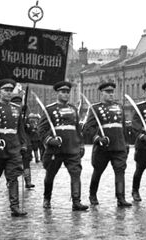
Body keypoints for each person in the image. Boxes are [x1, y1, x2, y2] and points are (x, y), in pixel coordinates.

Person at [38, 81, 88, 211]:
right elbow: (41, 130)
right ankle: (47, 199)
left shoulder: (73, 109)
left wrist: (81, 144)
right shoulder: (49, 110)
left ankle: (76, 201)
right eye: (63, 92)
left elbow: (78, 129)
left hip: (72, 148)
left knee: (76, 174)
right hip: (56, 150)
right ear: (58, 93)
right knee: (50, 174)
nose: (65, 95)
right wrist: (50, 140)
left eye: (67, 92)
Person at [0, 79, 28, 217]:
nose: (8, 93)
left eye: (10, 90)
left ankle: (15, 207)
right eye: (5, 90)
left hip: (13, 149)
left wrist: (23, 144)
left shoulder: (17, 108)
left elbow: (20, 129)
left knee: (13, 178)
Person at [83, 82, 132, 207]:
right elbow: (88, 128)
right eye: (107, 92)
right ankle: (92, 194)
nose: (110, 94)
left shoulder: (119, 107)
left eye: (112, 92)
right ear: (101, 93)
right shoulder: (95, 108)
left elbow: (123, 128)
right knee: (98, 171)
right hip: (103, 147)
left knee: (120, 171)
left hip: (118, 146)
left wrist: (125, 143)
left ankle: (121, 198)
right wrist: (98, 138)